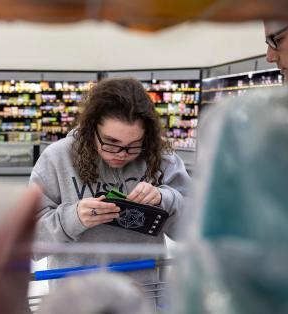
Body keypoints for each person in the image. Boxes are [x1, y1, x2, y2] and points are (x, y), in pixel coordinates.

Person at [29, 77, 190, 284]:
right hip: (76, 296)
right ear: (91, 128)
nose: (121, 154)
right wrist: (73, 218)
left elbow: (195, 229)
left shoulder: (161, 157)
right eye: (111, 143)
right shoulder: (56, 158)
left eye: (134, 145)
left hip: (142, 291)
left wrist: (165, 199)